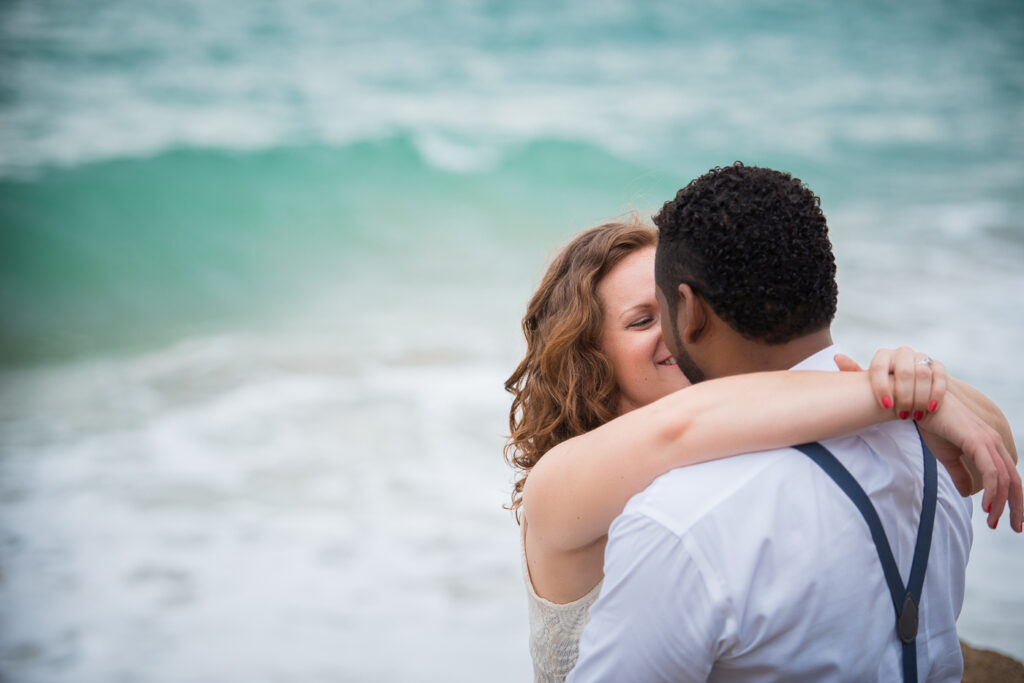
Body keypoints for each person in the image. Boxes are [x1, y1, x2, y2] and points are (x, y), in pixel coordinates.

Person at [505, 218, 1020, 681]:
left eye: (677, 308)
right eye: (641, 321)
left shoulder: (737, 435)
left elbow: (985, 454)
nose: (678, 330)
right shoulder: (558, 483)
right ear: (588, 358)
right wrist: (898, 393)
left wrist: (915, 382)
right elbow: (677, 427)